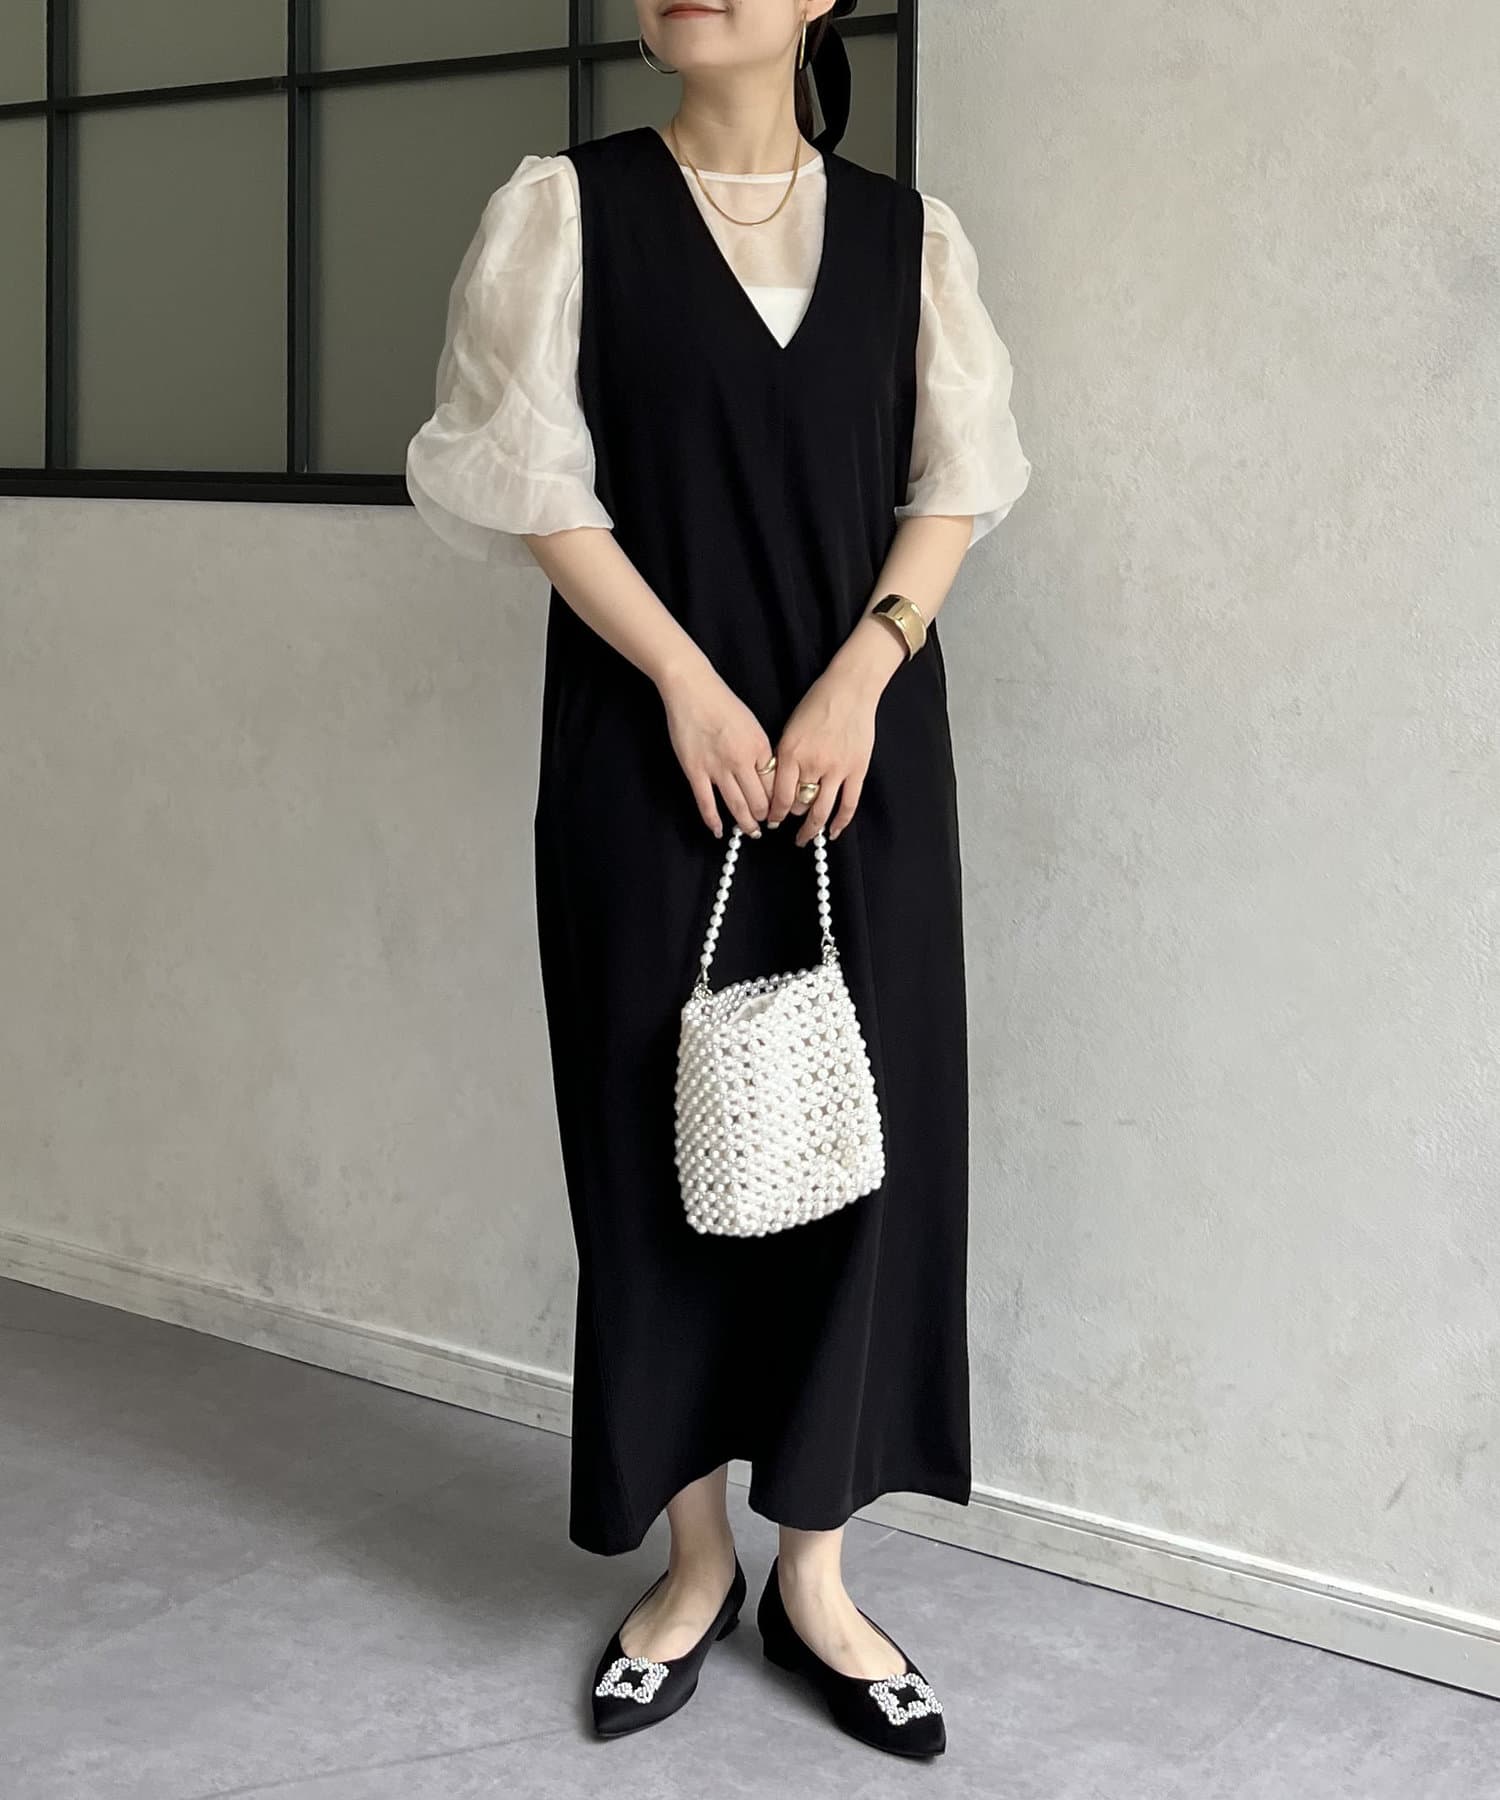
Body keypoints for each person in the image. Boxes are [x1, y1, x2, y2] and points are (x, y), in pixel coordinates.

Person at [405, 0, 1031, 1759]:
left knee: (866, 1160)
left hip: (860, 761)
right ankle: (692, 1567)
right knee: (648, 1151)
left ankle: (814, 1574)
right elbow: (528, 476)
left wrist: (864, 673)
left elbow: (959, 482)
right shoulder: (564, 209)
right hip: (645, 751)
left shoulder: (913, 238)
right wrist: (685, 681)